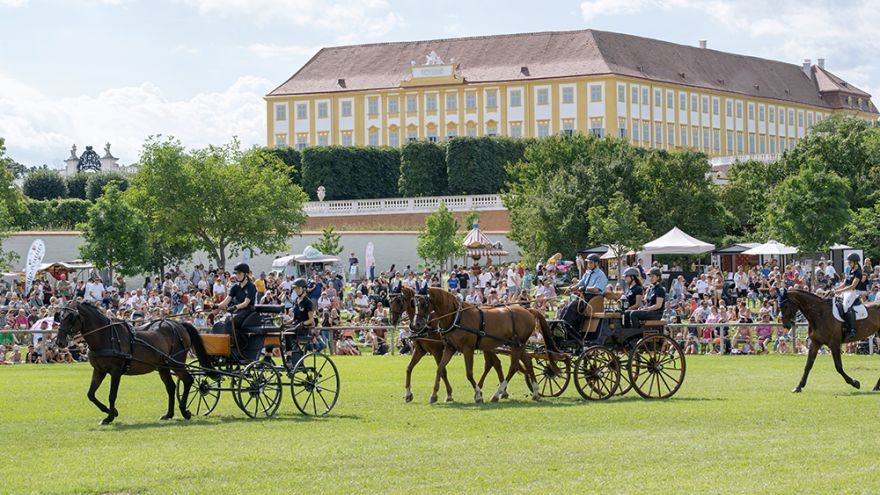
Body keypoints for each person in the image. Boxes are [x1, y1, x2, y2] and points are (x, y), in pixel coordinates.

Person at [560, 253, 608, 331]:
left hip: (593, 298)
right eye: (588, 262)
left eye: (590, 262)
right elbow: (579, 284)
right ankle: (562, 325)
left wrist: (585, 288)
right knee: (566, 307)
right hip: (585, 297)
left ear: (596, 263)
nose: (588, 264)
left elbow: (596, 289)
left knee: (572, 306)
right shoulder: (587, 273)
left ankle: (565, 327)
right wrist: (570, 289)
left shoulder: (601, 275)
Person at [213, 263, 257, 338]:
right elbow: (226, 301)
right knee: (219, 322)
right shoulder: (235, 287)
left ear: (245, 274)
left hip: (247, 311)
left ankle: (232, 343)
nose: (237, 275)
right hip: (237, 311)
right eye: (236, 273)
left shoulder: (251, 286)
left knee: (230, 321)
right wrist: (217, 305)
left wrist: (235, 307)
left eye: (239, 273)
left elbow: (246, 303)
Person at [833, 252, 867, 339]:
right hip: (846, 291)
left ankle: (852, 329)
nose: (848, 263)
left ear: (855, 262)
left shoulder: (858, 273)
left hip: (853, 292)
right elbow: (845, 283)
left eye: (850, 262)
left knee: (845, 306)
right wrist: (836, 289)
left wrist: (840, 290)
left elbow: (852, 286)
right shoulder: (850, 270)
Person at [286, 277, 316, 366]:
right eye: (295, 288)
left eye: (298, 288)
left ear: (304, 289)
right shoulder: (296, 301)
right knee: (282, 331)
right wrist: (285, 322)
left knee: (287, 333)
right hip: (295, 326)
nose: (296, 290)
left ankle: (290, 357)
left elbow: (311, 319)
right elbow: (294, 318)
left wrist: (302, 323)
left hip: (304, 329)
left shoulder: (308, 302)